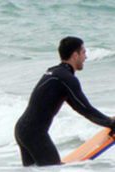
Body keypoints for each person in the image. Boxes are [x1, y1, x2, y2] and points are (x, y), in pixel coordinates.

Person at [14, 36, 115, 167]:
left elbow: (78, 106)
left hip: (23, 130)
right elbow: (84, 108)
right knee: (54, 169)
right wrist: (110, 123)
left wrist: (107, 121)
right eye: (83, 52)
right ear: (75, 55)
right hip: (34, 134)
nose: (86, 57)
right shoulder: (66, 79)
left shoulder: (54, 72)